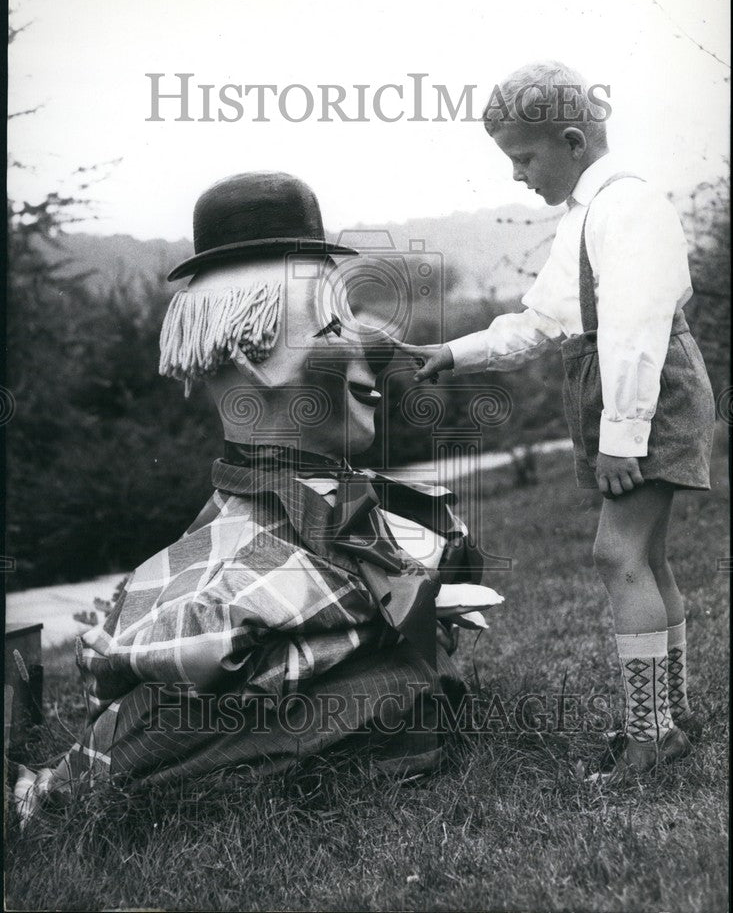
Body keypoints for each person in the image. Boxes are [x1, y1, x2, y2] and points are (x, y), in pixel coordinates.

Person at [14, 171, 502, 828]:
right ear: (251, 352)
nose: (368, 349)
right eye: (334, 326)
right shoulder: (241, 574)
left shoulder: (336, 523)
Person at [402, 62, 715, 780]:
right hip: (620, 388)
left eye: (522, 157)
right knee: (646, 555)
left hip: (643, 392)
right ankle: (664, 720)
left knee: (617, 555)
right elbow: (543, 320)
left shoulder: (625, 206)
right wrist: (453, 352)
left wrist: (620, 436)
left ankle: (649, 735)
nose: (516, 175)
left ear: (572, 141)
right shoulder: (583, 215)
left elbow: (635, 330)